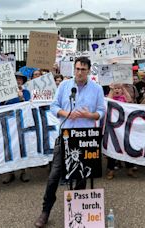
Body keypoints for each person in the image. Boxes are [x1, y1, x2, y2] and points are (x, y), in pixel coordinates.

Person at [34, 57, 105, 228]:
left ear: (89, 70)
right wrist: (66, 113)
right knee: (54, 176)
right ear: (74, 69)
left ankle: (78, 210)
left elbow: (101, 111)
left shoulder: (97, 89)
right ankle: (45, 211)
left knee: (82, 174)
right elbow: (53, 106)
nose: (79, 72)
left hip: (86, 137)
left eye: (83, 69)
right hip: (65, 136)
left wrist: (90, 115)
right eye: (77, 69)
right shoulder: (65, 86)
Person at [1, 71, 31, 184]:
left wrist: (21, 97)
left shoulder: (26, 92)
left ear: (22, 81)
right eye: (16, 78)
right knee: (9, 148)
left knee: (23, 147)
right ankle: (10, 172)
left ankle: (24, 171)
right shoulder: (4, 93)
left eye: (20, 79)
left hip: (21, 123)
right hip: (8, 123)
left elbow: (28, 105)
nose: (18, 80)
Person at [106, 83, 136, 179]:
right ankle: (111, 170)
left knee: (127, 147)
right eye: (115, 88)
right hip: (113, 128)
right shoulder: (109, 97)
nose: (117, 90)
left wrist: (123, 87)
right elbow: (108, 101)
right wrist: (111, 90)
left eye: (119, 88)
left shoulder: (124, 98)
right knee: (112, 148)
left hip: (124, 128)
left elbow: (130, 100)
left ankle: (130, 169)